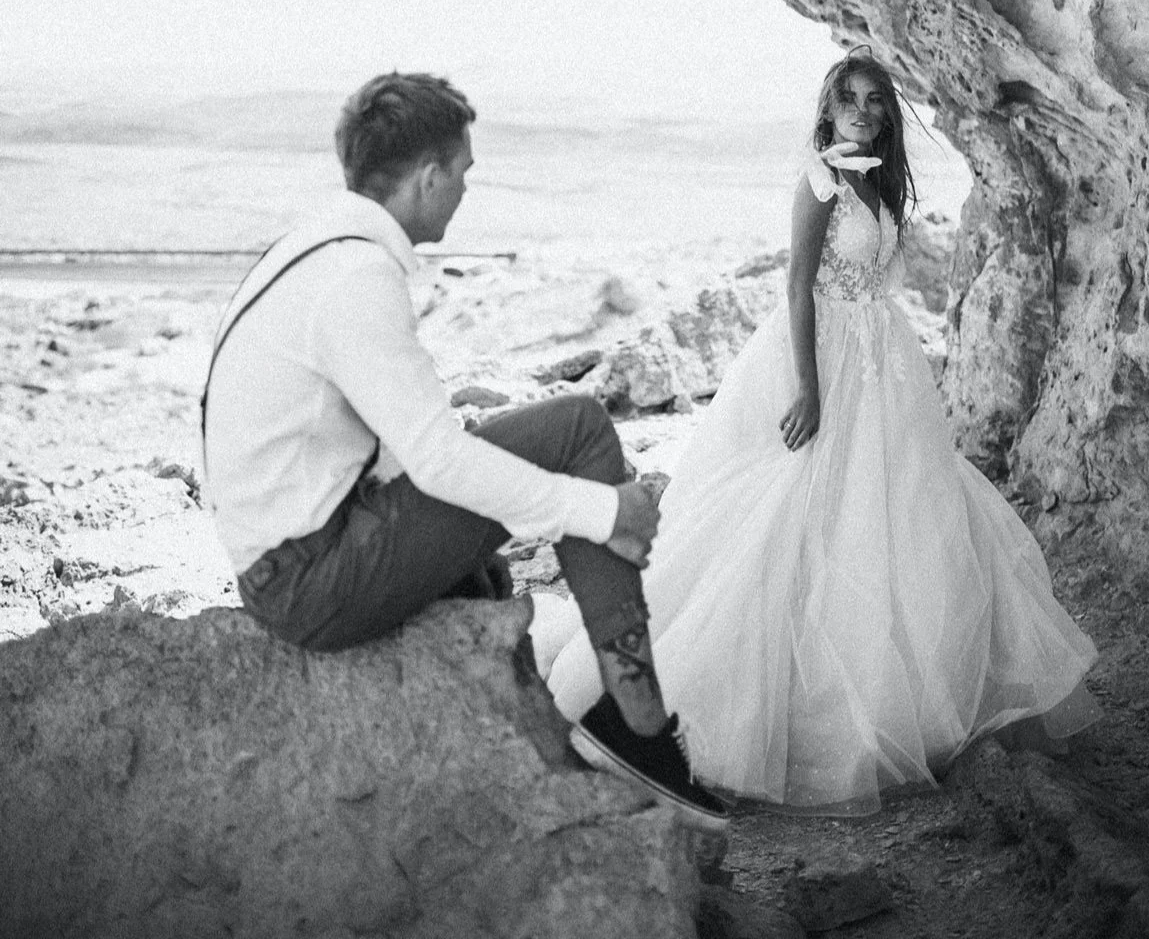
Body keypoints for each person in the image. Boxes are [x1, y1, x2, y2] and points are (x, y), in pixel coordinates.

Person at [540, 51, 1101, 815]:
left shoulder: (872, 176)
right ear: (828, 108)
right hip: (828, 358)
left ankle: (904, 700)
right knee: (788, 516)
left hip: (883, 362)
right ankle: (683, 711)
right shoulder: (820, 178)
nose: (863, 109)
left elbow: (869, 277)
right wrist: (809, 386)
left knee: (897, 520)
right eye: (849, 98)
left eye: (875, 99)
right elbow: (797, 286)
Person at [201, 71, 728, 834]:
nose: (466, 191)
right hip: (308, 578)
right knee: (578, 430)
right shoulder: (356, 277)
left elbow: (394, 438)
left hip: (298, 548)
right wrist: (606, 508)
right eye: (465, 175)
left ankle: (549, 730)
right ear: (429, 176)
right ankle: (639, 725)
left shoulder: (314, 248)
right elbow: (438, 462)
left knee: (489, 557)